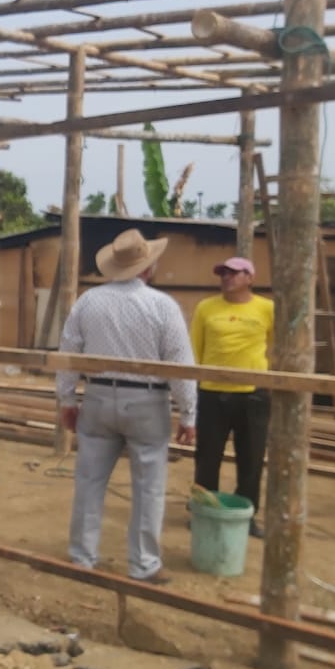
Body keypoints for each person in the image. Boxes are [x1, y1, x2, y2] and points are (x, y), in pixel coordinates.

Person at [56, 228, 197, 584]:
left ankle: (82, 558)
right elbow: (180, 365)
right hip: (147, 400)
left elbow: (68, 354)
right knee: (149, 487)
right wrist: (188, 413)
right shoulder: (163, 306)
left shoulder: (88, 301)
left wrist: (67, 399)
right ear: (148, 268)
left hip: (99, 396)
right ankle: (143, 564)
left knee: (89, 482)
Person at [190, 256, 273, 540]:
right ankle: (203, 510)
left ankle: (247, 515)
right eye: (223, 273)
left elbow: (276, 346)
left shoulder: (267, 308)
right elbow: (196, 348)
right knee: (207, 457)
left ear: (250, 277)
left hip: (253, 395)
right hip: (212, 392)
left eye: (234, 273)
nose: (227, 278)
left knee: (251, 459)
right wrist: (194, 386)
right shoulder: (206, 308)